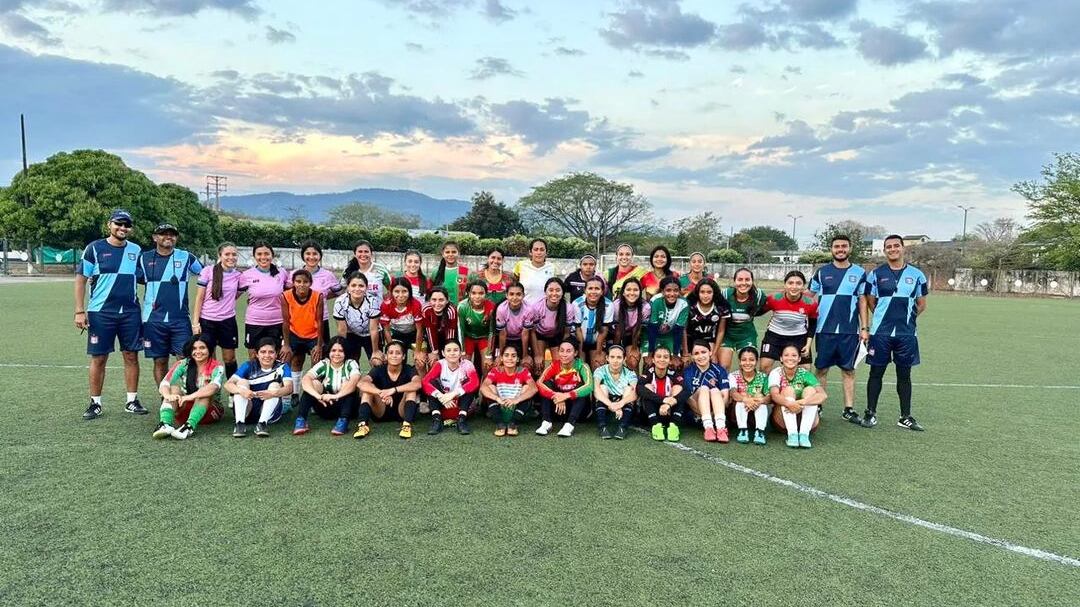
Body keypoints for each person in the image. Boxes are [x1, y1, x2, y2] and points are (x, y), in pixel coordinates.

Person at [74, 209, 146, 419]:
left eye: (127, 225)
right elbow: (80, 279)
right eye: (118, 224)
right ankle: (95, 403)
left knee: (131, 355)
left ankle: (131, 401)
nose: (122, 228)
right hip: (101, 312)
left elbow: (143, 276)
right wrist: (79, 310)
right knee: (99, 358)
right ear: (109, 225)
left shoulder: (136, 250)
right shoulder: (94, 248)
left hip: (130, 312)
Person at [861, 234, 929, 431]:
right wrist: (883, 317)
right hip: (880, 333)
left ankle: (905, 416)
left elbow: (921, 304)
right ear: (885, 250)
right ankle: (870, 412)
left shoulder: (917, 275)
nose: (892, 249)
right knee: (876, 372)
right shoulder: (875, 274)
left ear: (902, 248)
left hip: (906, 334)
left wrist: (907, 319)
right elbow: (871, 301)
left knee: (904, 375)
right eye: (888, 247)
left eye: (896, 246)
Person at [808, 234, 867, 425]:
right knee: (821, 368)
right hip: (824, 329)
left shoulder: (859, 272)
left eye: (844, 246)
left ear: (849, 248)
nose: (840, 249)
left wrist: (864, 327)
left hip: (849, 330)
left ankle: (848, 409)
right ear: (831, 249)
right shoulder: (821, 272)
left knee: (848, 370)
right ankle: (818, 406)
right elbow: (809, 295)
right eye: (836, 246)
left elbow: (862, 300)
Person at [137, 223, 203, 385]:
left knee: (185, 359)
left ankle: (188, 394)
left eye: (172, 234)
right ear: (154, 238)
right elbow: (130, 278)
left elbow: (205, 273)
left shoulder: (187, 257)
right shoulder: (144, 258)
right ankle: (165, 398)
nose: (168, 237)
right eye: (163, 234)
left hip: (180, 319)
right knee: (160, 361)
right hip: (153, 320)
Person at [152, 334, 225, 440]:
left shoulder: (217, 366)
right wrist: (168, 395)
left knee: (204, 392)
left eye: (202, 348)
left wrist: (189, 397)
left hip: (210, 411)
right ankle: (164, 424)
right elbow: (165, 383)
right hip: (185, 409)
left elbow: (214, 387)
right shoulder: (183, 364)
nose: (198, 352)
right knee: (174, 389)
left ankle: (188, 427)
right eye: (194, 348)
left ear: (209, 349)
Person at [225, 337, 294, 438]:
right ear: (257, 354)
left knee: (275, 386)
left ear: (276, 354)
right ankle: (240, 424)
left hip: (270, 413)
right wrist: (241, 391)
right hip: (248, 409)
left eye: (271, 352)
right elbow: (228, 384)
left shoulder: (282, 367)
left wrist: (272, 393)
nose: (267, 355)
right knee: (242, 382)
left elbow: (289, 388)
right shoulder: (248, 365)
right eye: (263, 352)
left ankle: (262, 424)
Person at [293, 336, 361, 436]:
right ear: (329, 351)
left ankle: (343, 421)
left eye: (341, 351)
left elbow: (354, 383)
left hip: (349, 408)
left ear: (345, 352)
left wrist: (335, 396)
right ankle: (301, 420)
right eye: (333, 350)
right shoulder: (324, 364)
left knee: (347, 384)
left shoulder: (351, 364)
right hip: (326, 406)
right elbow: (305, 380)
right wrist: (318, 396)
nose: (336, 354)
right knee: (314, 383)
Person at [355, 341, 423, 439]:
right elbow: (361, 383)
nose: (394, 356)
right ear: (386, 356)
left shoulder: (408, 369)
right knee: (367, 391)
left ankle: (407, 425)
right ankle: (362, 425)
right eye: (391, 353)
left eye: (398, 353)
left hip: (402, 411)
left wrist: (394, 390)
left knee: (411, 390)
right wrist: (381, 393)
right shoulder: (378, 369)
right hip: (381, 410)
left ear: (403, 356)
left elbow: (417, 384)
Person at [193, 242, 241, 379]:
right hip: (207, 321)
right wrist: (195, 323)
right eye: (227, 254)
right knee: (209, 358)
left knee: (230, 358)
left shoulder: (238, 275)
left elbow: (237, 294)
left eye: (234, 254)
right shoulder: (208, 271)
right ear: (220, 256)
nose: (231, 257)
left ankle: (233, 395)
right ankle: (212, 394)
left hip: (228, 321)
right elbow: (199, 298)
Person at [280, 270, 325, 407]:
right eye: (298, 281)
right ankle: (290, 395)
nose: (301, 284)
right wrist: (286, 344)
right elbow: (286, 321)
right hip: (294, 334)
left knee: (316, 362)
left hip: (313, 335)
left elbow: (320, 321)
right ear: (293, 283)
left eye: (305, 282)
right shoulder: (285, 296)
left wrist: (318, 345)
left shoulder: (318, 296)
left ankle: (311, 397)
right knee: (289, 360)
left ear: (310, 283)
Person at [759, 271, 818, 374]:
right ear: (785, 285)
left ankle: (798, 390)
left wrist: (808, 345)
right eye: (790, 283)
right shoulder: (774, 299)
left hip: (798, 337)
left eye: (798, 283)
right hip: (774, 336)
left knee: (805, 370)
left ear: (803, 286)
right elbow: (758, 312)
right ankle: (765, 390)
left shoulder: (811, 303)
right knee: (764, 367)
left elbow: (812, 325)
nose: (794, 287)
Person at [768, 345, 827, 448]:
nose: (790, 358)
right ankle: (792, 435)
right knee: (788, 390)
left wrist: (802, 402)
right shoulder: (776, 373)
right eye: (786, 355)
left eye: (794, 355)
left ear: (799, 358)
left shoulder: (804, 373)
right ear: (781, 358)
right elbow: (774, 395)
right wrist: (790, 404)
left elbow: (823, 395)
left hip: (806, 420)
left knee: (811, 390)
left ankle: (804, 435)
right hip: (782, 422)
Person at [239, 242, 288, 359]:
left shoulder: (282, 273)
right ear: (254, 256)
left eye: (266, 254)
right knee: (254, 357)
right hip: (254, 322)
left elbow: (291, 292)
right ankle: (254, 377)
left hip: (276, 322)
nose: (263, 257)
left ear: (272, 255)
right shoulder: (246, 275)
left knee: (276, 357)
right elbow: (233, 295)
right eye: (259, 254)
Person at [288, 240, 344, 344]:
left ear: (320, 256)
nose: (311, 257)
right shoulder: (294, 274)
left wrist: (322, 296)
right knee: (296, 358)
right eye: (308, 254)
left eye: (315, 254)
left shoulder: (328, 275)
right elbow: (287, 293)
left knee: (320, 355)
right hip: (298, 320)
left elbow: (338, 292)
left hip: (320, 320)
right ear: (303, 256)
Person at [535, 340, 593, 437]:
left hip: (579, 412)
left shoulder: (582, 366)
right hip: (559, 409)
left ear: (575, 353)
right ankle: (546, 422)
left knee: (582, 386)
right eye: (562, 351)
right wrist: (556, 396)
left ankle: (569, 425)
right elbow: (539, 383)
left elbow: (589, 386)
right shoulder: (554, 365)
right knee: (546, 383)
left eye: (568, 351)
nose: (564, 354)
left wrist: (566, 396)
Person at [422, 340, 480, 435]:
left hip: (461, 406)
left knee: (469, 384)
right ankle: (436, 419)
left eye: (456, 350)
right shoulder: (440, 364)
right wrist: (441, 396)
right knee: (432, 382)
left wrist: (453, 394)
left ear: (461, 352)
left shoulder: (467, 364)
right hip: (444, 404)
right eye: (448, 350)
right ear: (443, 353)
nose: (452, 353)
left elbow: (475, 383)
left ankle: (461, 420)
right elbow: (425, 382)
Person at [480, 344, 538, 437]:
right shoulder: (496, 371)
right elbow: (483, 387)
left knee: (527, 388)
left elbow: (534, 388)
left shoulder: (523, 371)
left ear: (518, 359)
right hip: (499, 407)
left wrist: (517, 400)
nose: (510, 358)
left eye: (513, 356)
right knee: (490, 387)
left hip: (516, 409)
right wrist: (497, 398)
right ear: (501, 358)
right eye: (506, 355)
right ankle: (500, 424)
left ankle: (513, 424)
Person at [719, 268, 767, 371]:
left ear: (752, 281)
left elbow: (766, 307)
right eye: (740, 279)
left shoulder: (758, 295)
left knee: (748, 367)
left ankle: (746, 387)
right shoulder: (725, 294)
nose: (743, 283)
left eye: (747, 279)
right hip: (727, 336)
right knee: (723, 367)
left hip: (747, 336)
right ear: (734, 281)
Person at [683, 341, 731, 442]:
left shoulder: (719, 370)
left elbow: (725, 397)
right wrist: (706, 415)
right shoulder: (688, 371)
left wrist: (714, 415)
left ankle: (721, 428)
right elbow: (689, 399)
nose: (700, 356)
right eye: (696, 353)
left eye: (703, 352)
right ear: (692, 356)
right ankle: (708, 427)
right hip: (696, 415)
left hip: (716, 415)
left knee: (714, 390)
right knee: (704, 388)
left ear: (710, 352)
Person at [637, 345, 686, 442]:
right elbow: (639, 388)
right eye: (658, 356)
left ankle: (674, 425)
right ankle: (656, 425)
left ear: (670, 361)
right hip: (652, 413)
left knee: (678, 388)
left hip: (669, 411)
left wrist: (669, 403)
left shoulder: (673, 373)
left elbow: (687, 390)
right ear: (653, 360)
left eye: (665, 357)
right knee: (647, 387)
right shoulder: (648, 373)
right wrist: (662, 400)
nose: (662, 359)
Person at [333, 272, 383, 366]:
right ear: (348, 287)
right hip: (351, 334)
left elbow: (373, 329)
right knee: (351, 364)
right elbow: (342, 330)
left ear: (366, 288)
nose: (357, 289)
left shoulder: (372, 301)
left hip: (370, 334)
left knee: (377, 362)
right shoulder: (340, 302)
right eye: (353, 285)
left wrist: (375, 351)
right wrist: (342, 349)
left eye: (361, 286)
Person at [528, 277, 578, 366]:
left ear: (563, 293)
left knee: (559, 364)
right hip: (540, 335)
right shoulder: (536, 307)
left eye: (558, 290)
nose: (554, 293)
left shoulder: (568, 308)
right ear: (545, 292)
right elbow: (532, 332)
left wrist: (563, 352)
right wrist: (537, 355)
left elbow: (566, 333)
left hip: (557, 336)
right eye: (551, 290)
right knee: (539, 364)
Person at [682, 278, 731, 367]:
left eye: (709, 292)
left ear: (714, 293)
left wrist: (715, 353)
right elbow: (684, 329)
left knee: (711, 363)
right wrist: (685, 353)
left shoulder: (721, 307)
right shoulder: (690, 305)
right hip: (691, 340)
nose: (705, 295)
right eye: (702, 292)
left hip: (709, 340)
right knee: (687, 366)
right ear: (697, 293)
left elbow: (721, 331)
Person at [592, 345, 638, 440]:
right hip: (606, 402)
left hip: (623, 404)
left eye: (619, 357)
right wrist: (611, 404)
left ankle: (623, 427)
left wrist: (620, 404)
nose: (615, 360)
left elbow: (635, 394)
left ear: (624, 359)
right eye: (612, 357)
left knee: (629, 389)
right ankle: (602, 427)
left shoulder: (630, 373)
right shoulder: (600, 370)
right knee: (602, 387)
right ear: (607, 358)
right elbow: (596, 391)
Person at [644, 276, 689, 370]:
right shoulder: (655, 301)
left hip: (670, 336)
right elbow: (652, 330)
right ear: (662, 291)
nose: (672, 294)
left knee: (674, 365)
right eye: (668, 290)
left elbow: (678, 331)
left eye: (676, 290)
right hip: (651, 335)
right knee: (649, 364)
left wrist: (676, 355)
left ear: (679, 291)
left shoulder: (684, 304)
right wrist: (650, 354)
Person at [728, 346, 771, 445]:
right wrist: (746, 400)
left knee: (760, 398)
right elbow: (733, 393)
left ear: (757, 361)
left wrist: (759, 401)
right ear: (739, 361)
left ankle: (760, 432)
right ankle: (743, 430)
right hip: (737, 415)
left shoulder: (763, 377)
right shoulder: (733, 376)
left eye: (751, 360)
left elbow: (769, 397)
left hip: (756, 412)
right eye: (744, 360)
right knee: (742, 397)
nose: (747, 363)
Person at [572, 276, 614, 369]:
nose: (593, 292)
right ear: (585, 290)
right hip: (580, 340)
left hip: (597, 342)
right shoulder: (577, 304)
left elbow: (604, 331)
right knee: (580, 367)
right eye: (590, 288)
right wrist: (581, 352)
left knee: (597, 365)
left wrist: (598, 353)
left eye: (597, 289)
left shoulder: (608, 305)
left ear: (602, 291)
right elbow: (578, 330)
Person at [610, 276, 649, 372]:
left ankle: (634, 384)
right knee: (613, 360)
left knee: (633, 360)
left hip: (633, 336)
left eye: (635, 290)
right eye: (628, 290)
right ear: (623, 292)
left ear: (640, 292)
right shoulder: (615, 306)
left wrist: (634, 348)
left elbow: (638, 329)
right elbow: (616, 330)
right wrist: (615, 349)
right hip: (616, 335)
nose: (632, 293)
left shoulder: (645, 307)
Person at [379, 277, 425, 359]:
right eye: (396, 291)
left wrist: (417, 351)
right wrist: (391, 349)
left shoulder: (416, 304)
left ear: (409, 292)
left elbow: (419, 330)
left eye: (404, 291)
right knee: (396, 359)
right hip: (397, 334)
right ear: (391, 292)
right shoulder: (386, 305)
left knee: (420, 360)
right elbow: (386, 330)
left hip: (414, 334)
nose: (400, 295)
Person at [495, 282, 535, 375]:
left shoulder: (528, 309)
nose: (515, 297)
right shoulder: (501, 309)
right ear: (506, 295)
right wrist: (501, 355)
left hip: (520, 339)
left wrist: (525, 356)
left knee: (526, 364)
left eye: (518, 294)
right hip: (506, 338)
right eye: (511, 294)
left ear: (523, 295)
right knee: (498, 364)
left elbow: (525, 334)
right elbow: (502, 334)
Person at [458, 280, 497, 374]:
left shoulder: (491, 307)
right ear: (468, 294)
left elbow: (492, 331)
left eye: (481, 293)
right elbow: (460, 330)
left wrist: (488, 355)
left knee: (487, 366)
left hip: (484, 337)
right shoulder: (462, 307)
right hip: (468, 337)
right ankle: (466, 387)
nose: (477, 297)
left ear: (486, 294)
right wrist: (462, 352)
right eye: (474, 293)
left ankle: (483, 386)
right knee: (463, 366)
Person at [420, 286, 458, 377]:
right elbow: (430, 332)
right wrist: (434, 352)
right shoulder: (426, 310)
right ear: (429, 300)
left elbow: (451, 335)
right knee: (433, 363)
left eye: (441, 300)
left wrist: (448, 351)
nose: (437, 303)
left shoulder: (451, 311)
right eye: (434, 300)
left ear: (447, 300)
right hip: (431, 338)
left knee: (449, 361)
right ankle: (430, 386)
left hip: (448, 338)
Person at [513, 238, 555, 305]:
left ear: (546, 252)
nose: (539, 253)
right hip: (524, 310)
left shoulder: (552, 267)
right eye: (536, 249)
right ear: (530, 252)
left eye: (542, 250)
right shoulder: (521, 265)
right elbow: (514, 285)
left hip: (544, 311)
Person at [431, 241, 470, 305]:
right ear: (443, 254)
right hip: (441, 310)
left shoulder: (465, 271)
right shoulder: (436, 272)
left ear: (459, 253)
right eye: (447, 252)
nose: (450, 254)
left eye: (454, 252)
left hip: (459, 310)